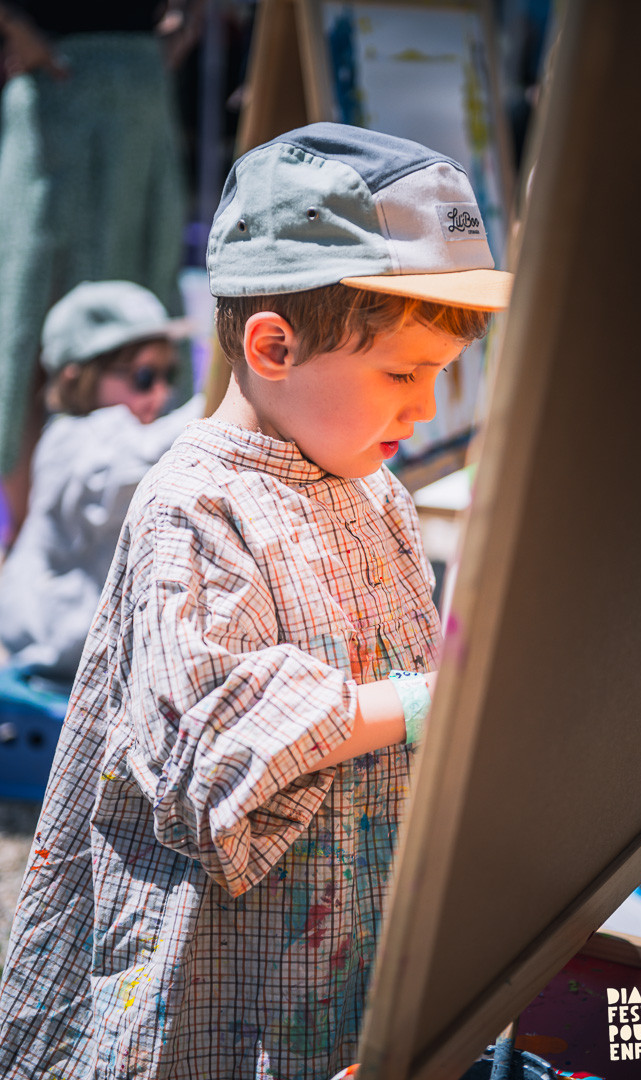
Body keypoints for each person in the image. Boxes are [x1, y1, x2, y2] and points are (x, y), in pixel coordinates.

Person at [0, 123, 513, 1079]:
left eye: (438, 376)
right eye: (402, 373)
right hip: (224, 973)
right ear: (273, 346)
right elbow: (206, 750)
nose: (424, 409)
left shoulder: (375, 488)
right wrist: (415, 705)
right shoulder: (194, 503)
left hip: (346, 934)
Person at [0, 0, 200, 545]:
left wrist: (186, 21)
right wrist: (15, 25)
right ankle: (30, 544)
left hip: (139, 88)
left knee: (140, 314)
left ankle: (126, 539)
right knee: (31, 309)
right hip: (55, 83)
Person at [0, 280, 202, 685]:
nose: (160, 393)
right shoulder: (69, 440)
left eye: (169, 374)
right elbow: (136, 461)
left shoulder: (123, 434)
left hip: (82, 665)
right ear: (78, 377)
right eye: (143, 376)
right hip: (45, 664)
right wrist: (224, 402)